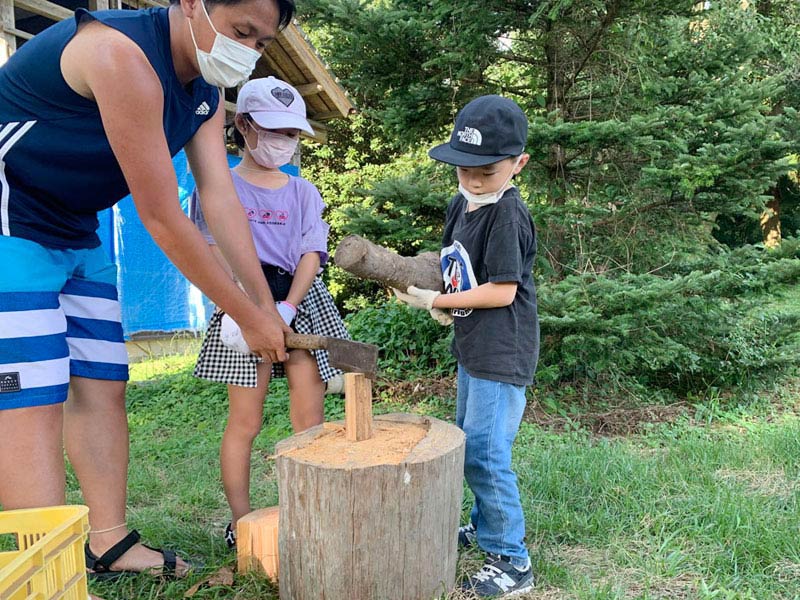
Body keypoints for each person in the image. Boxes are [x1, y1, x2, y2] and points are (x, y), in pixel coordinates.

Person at [0, 0, 296, 580]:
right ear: (191, 4)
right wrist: (245, 315)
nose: (249, 53)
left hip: (74, 222)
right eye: (241, 32)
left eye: (262, 43)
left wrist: (266, 308)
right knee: (30, 397)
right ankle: (44, 570)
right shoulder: (120, 53)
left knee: (101, 382)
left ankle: (106, 544)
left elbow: (219, 199)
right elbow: (162, 217)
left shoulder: (206, 92)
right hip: (10, 214)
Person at [190, 76, 350, 549]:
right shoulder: (218, 188)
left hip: (299, 299)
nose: (284, 142)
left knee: (311, 417)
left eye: (292, 134)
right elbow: (213, 251)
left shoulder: (303, 193)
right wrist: (247, 308)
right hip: (240, 301)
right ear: (244, 125)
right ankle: (241, 523)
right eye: (274, 130)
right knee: (246, 420)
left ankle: (311, 510)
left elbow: (310, 252)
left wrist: (287, 305)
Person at [393, 95, 539, 598]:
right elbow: (451, 264)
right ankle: (486, 526)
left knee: (485, 450)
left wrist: (440, 297)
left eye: (487, 169)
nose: (473, 179)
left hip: (503, 351)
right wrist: (427, 292)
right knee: (466, 439)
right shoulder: (462, 203)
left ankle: (512, 559)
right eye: (464, 167)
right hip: (473, 344)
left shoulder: (508, 215)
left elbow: (502, 291)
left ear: (518, 164)